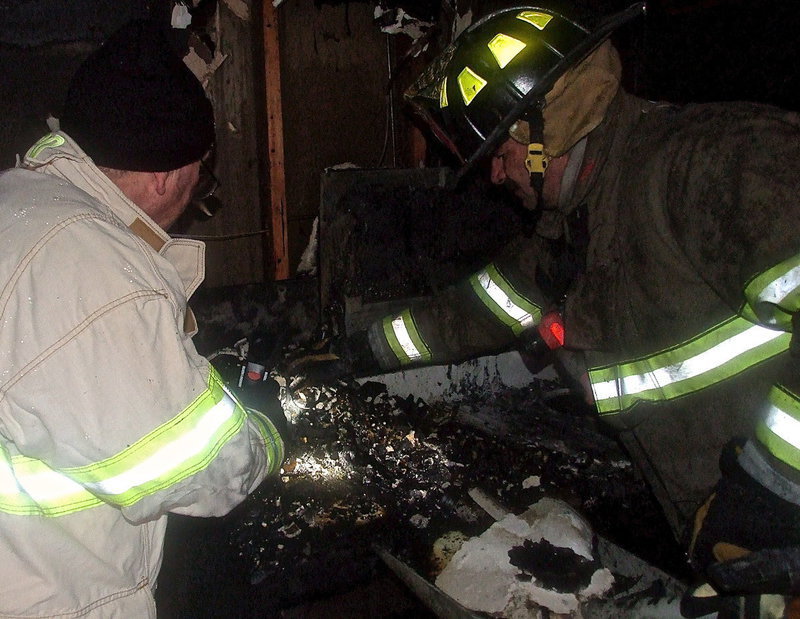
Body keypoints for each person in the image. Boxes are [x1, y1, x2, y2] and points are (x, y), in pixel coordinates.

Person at [297, 3, 800, 614]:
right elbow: (477, 311)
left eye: (499, 154)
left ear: (543, 131)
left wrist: (775, 486)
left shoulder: (711, 158)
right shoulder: (574, 224)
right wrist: (363, 352)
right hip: (719, 524)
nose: (496, 176)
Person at [0, 19, 286, 617]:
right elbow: (188, 467)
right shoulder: (96, 272)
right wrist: (262, 433)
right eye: (199, 175)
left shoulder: (19, 202)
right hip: (50, 594)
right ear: (167, 174)